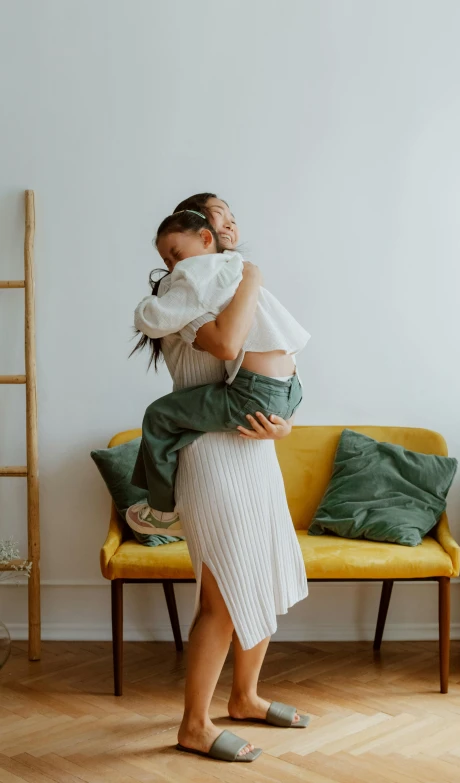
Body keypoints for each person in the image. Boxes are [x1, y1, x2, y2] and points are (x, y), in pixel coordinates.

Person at [132, 193, 309, 763]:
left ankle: (246, 697)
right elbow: (228, 345)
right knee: (222, 595)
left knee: (264, 573)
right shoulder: (185, 292)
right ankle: (193, 724)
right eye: (219, 213)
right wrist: (251, 273)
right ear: (198, 231)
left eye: (232, 213)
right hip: (208, 455)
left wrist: (280, 428)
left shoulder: (226, 283)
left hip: (252, 453)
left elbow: (272, 367)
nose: (231, 221)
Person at [127, 208, 309, 534]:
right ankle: (159, 496)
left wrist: (143, 309)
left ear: (204, 238)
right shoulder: (239, 273)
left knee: (158, 416)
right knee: (172, 420)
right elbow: (280, 346)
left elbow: (157, 321)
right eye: (168, 262)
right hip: (289, 389)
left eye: (175, 256)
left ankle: (162, 512)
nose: (173, 268)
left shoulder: (197, 276)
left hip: (253, 393)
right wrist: (288, 422)